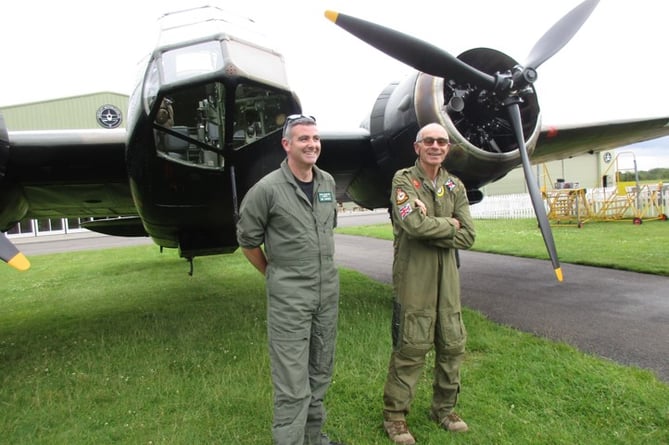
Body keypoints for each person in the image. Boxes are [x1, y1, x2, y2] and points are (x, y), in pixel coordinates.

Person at [236, 114, 344, 445]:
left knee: (320, 374)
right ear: (287, 145)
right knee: (292, 384)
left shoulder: (326, 183)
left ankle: (314, 439)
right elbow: (248, 240)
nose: (312, 144)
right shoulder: (266, 190)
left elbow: (325, 229)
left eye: (315, 138)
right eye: (303, 139)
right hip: (289, 301)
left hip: (326, 296)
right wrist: (273, 273)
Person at [382, 123, 476, 445]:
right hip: (414, 278)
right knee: (411, 346)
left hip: (447, 278)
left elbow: (469, 235)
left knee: (452, 344)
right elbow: (413, 225)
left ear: (447, 148)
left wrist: (433, 226)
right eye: (429, 141)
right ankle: (395, 417)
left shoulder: (454, 186)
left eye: (441, 141)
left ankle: (444, 409)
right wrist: (449, 224)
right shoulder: (404, 181)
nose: (436, 146)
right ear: (417, 146)